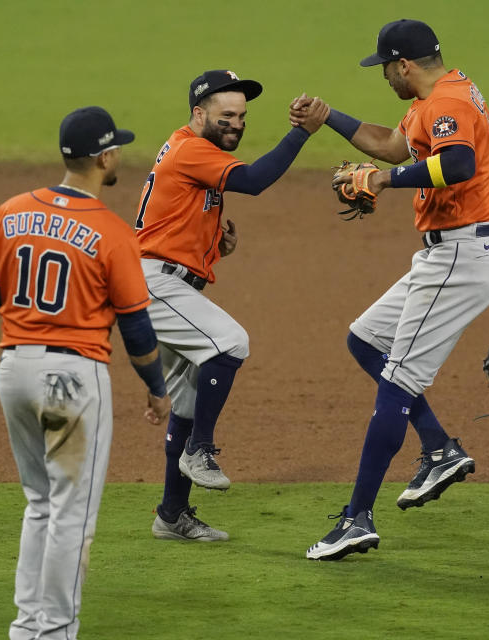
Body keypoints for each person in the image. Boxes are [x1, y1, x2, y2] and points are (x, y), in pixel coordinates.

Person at [292, 19, 489, 560]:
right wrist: (330, 119)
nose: (383, 76)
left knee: (398, 380)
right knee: (366, 339)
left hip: (461, 254)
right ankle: (437, 447)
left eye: (385, 67)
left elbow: (459, 164)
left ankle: (357, 518)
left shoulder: (447, 104)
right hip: (449, 250)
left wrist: (386, 181)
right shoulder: (433, 99)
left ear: (404, 64)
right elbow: (391, 146)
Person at [0, 106, 171, 639]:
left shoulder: (10, 212)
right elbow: (139, 333)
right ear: (104, 157)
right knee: (72, 516)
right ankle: (55, 632)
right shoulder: (112, 231)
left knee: (39, 504)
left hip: (14, 369)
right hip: (73, 379)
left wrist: (36, 308)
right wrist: (157, 390)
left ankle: (27, 627)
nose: (120, 154)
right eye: (117, 148)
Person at [137, 69, 329, 542]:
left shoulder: (190, 150)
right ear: (199, 114)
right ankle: (200, 449)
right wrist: (301, 133)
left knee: (187, 399)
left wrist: (212, 246)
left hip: (167, 280)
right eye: (227, 115)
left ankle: (172, 514)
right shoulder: (190, 148)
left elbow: (173, 218)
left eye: (242, 116)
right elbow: (257, 180)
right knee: (229, 344)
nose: (237, 124)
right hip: (154, 284)